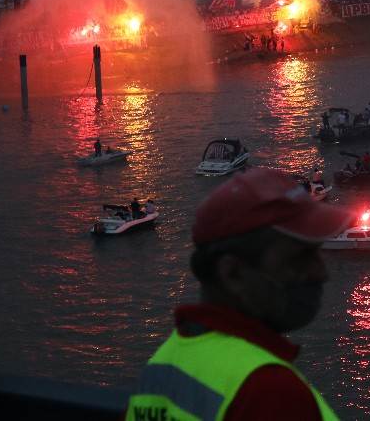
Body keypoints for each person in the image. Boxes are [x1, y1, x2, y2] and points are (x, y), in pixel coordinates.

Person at [126, 169, 350, 421]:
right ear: (233, 274)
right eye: (300, 257)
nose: (321, 272)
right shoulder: (271, 391)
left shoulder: (161, 366)